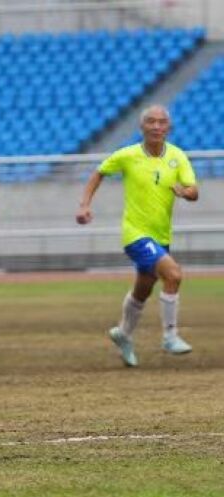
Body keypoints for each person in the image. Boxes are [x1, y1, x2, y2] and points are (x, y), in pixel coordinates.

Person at [76, 104, 198, 367]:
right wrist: (84, 205)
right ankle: (170, 336)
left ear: (168, 127)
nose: (156, 126)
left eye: (161, 122)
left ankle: (123, 334)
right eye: (151, 121)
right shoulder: (128, 155)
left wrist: (185, 192)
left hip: (161, 236)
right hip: (135, 234)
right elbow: (99, 173)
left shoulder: (177, 156)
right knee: (174, 275)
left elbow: (193, 191)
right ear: (141, 126)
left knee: (143, 288)